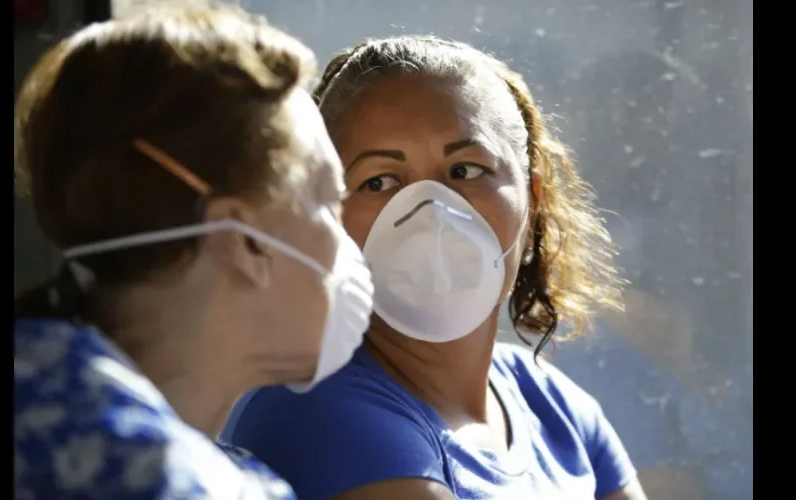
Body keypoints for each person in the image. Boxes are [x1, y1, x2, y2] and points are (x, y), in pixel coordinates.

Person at [220, 35, 648, 500]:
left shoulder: (553, 405)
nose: (431, 215)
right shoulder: (316, 411)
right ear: (327, 213)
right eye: (380, 182)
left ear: (533, 204)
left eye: (465, 170)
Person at [13, 7, 373, 500]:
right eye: (329, 203)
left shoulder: (49, 392)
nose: (345, 237)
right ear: (245, 242)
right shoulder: (141, 469)